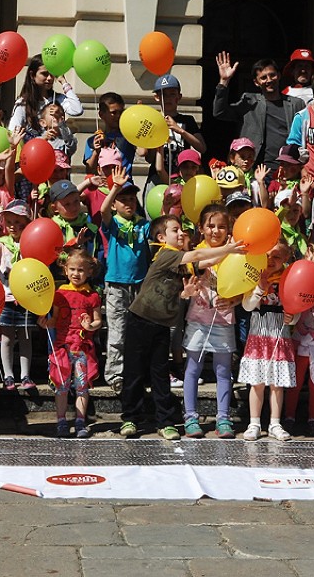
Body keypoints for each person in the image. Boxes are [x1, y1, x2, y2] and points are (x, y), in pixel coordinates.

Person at [119, 214, 243, 440]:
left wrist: (184, 294)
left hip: (162, 324)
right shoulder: (166, 254)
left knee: (160, 374)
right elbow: (197, 254)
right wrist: (229, 248)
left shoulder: (183, 264)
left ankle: (164, 422)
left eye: (181, 230)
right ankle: (130, 418)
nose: (181, 233)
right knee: (134, 372)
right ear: (161, 237)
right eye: (175, 230)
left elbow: (203, 263)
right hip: (140, 319)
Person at [180, 205, 239, 439]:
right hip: (197, 318)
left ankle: (223, 418)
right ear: (201, 228)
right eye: (211, 226)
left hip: (224, 320)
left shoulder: (236, 255)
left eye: (221, 227)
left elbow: (244, 284)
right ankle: (191, 417)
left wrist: (234, 300)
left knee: (223, 371)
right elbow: (193, 268)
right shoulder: (196, 252)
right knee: (192, 369)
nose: (216, 231)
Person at [239, 239, 297, 442]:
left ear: (285, 259)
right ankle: (254, 423)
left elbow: (295, 308)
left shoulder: (288, 279)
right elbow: (247, 306)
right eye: (268, 256)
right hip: (259, 335)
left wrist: (293, 317)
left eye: (277, 257)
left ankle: (275, 423)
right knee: (257, 382)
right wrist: (259, 288)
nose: (271, 260)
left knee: (276, 384)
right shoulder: (255, 276)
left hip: (279, 335)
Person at [99, 166, 151, 393]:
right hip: (117, 284)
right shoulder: (114, 223)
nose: (129, 203)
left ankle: (137, 370)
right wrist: (116, 188)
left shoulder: (142, 224)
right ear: (114, 204)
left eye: (132, 199)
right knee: (118, 330)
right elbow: (103, 212)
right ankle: (115, 374)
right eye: (123, 200)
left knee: (139, 331)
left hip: (139, 283)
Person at [44, 247, 102, 438]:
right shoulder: (60, 294)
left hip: (82, 350)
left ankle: (79, 421)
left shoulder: (92, 296)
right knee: (61, 386)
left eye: (81, 270)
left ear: (89, 272)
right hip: (62, 347)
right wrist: (43, 321)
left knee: (81, 386)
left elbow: (97, 321)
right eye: (73, 269)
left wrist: (90, 325)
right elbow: (53, 320)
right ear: (65, 270)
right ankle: (61, 420)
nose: (76, 274)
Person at [213, 54, 306, 170]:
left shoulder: (297, 104)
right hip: (255, 168)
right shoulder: (249, 102)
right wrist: (224, 81)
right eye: (263, 77)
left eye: (272, 75)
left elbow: (305, 137)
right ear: (256, 82)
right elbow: (219, 112)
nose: (269, 80)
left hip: (286, 168)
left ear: (279, 75)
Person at [0, 199, 37, 391]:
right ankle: (8, 375)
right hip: (6, 298)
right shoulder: (2, 243)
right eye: (10, 222)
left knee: (25, 337)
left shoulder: (31, 243)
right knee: (6, 337)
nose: (14, 227)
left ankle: (25, 375)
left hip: (26, 298)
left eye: (19, 223)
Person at [284, 247, 314, 436]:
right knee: (295, 383)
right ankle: (289, 417)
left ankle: (313, 419)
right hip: (300, 341)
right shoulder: (300, 291)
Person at [141, 73, 206, 194]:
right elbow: (148, 158)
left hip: (183, 176)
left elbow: (201, 147)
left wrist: (179, 130)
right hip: (157, 176)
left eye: (172, 94)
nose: (168, 98)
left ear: (179, 97)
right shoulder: (152, 120)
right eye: (163, 95)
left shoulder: (188, 120)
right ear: (156, 97)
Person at [10, 55, 83, 136]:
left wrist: (64, 82)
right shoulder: (23, 103)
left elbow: (77, 110)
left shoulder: (58, 99)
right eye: (44, 74)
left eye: (52, 74)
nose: (49, 78)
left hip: (55, 148)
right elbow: (13, 131)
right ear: (32, 75)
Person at [84, 92, 137, 179]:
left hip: (124, 187)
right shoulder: (92, 140)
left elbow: (143, 152)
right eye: (114, 113)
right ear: (101, 115)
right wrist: (96, 151)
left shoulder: (128, 136)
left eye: (121, 112)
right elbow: (89, 170)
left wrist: (138, 123)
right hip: (102, 188)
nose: (118, 116)